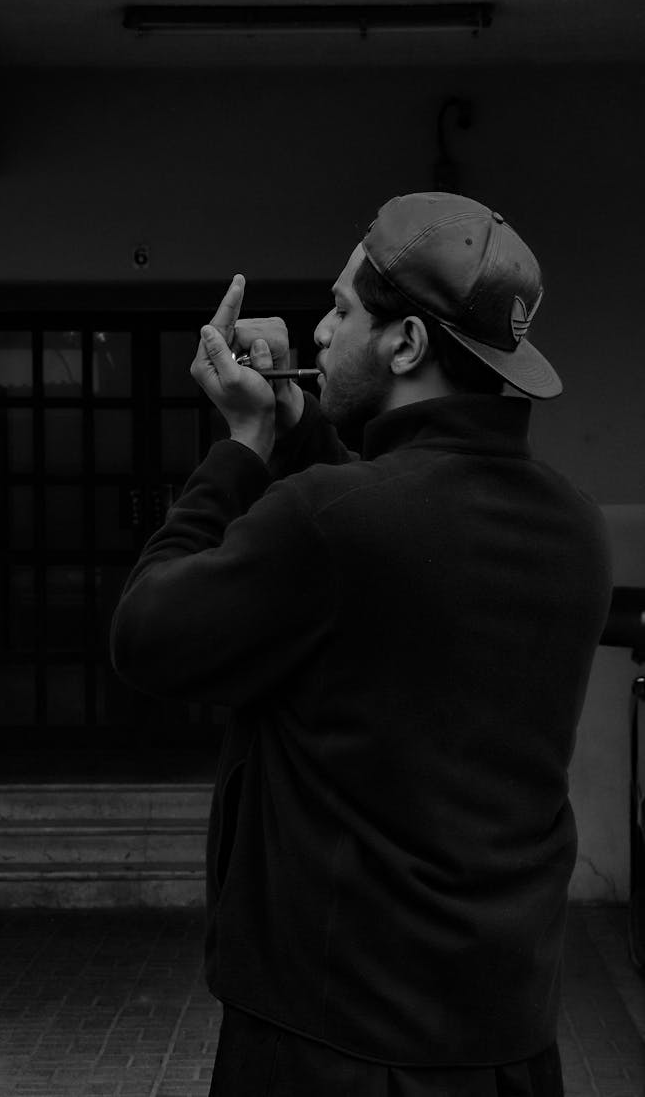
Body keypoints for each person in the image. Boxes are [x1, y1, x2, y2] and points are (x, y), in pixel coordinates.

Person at [110, 192, 612, 1096]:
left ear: (406, 344)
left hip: (327, 1051)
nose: (319, 325)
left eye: (341, 309)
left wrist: (245, 443)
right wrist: (303, 425)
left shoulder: (333, 526)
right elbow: (400, 528)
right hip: (504, 1048)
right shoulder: (576, 532)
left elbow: (145, 632)